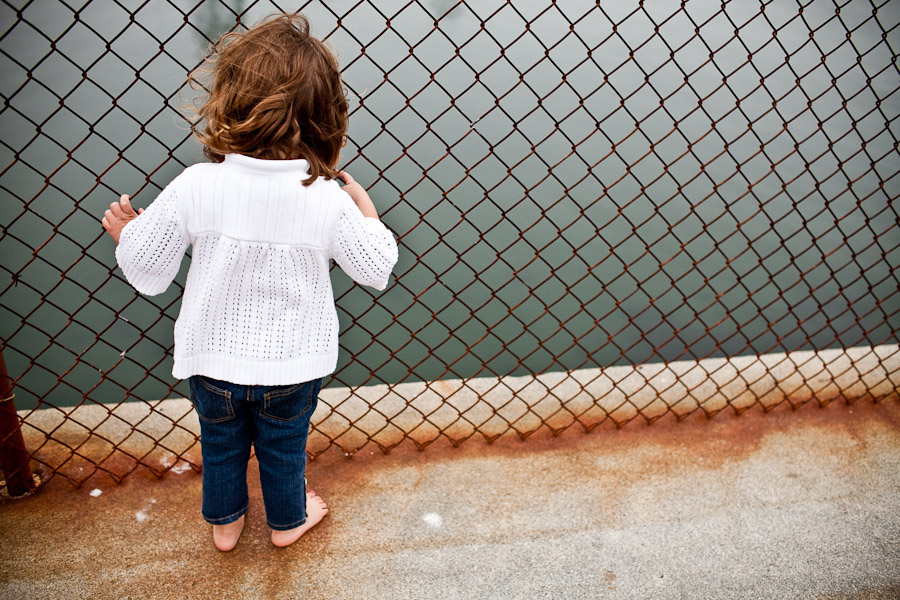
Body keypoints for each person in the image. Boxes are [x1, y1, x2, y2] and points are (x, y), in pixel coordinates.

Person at [100, 13, 398, 551]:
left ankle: (226, 525)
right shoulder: (325, 198)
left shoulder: (198, 184)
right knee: (284, 449)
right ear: (326, 116)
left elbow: (148, 269)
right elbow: (375, 267)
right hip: (292, 367)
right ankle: (287, 524)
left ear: (227, 101)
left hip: (213, 361)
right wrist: (368, 212)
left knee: (221, 446)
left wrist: (128, 233)